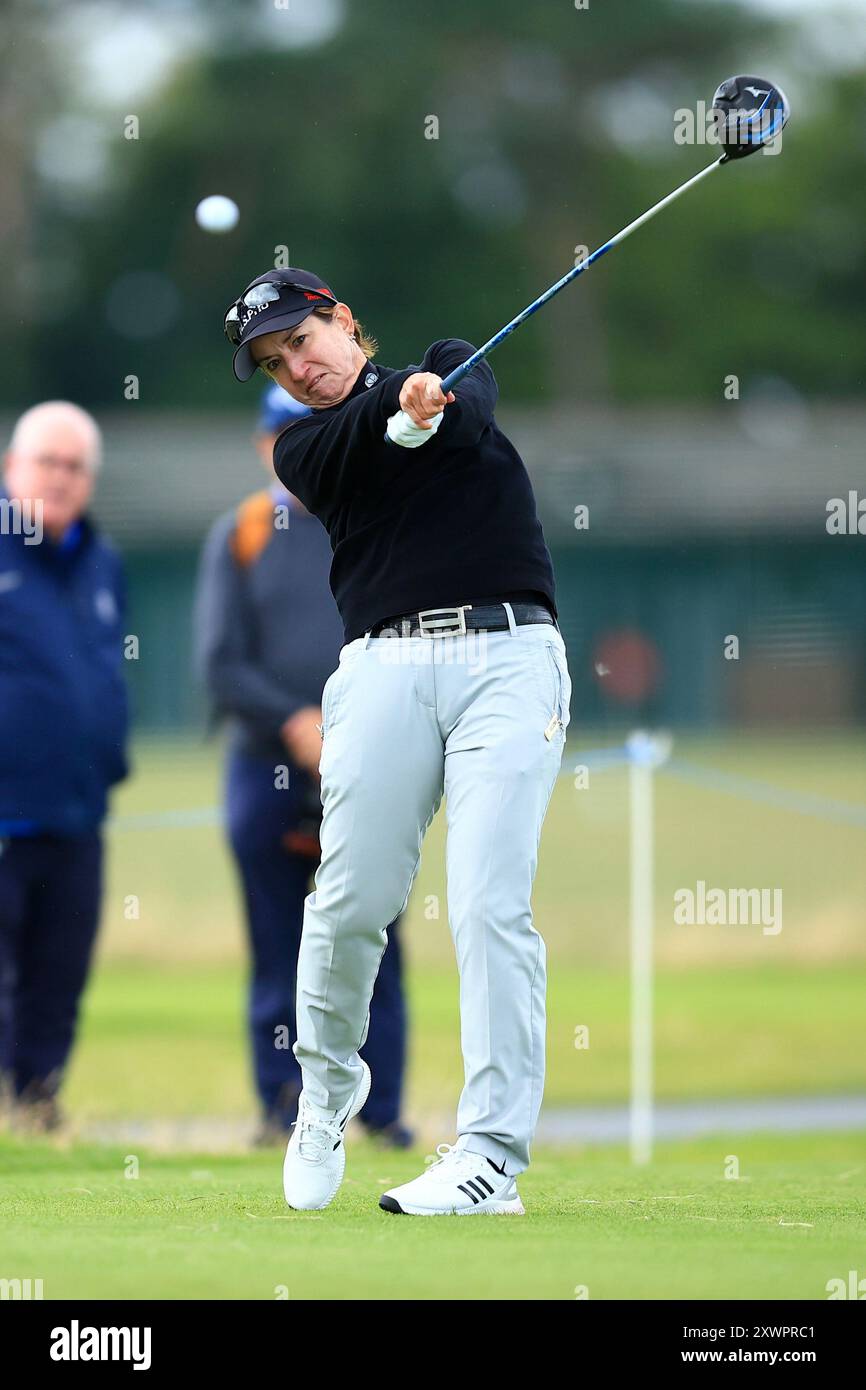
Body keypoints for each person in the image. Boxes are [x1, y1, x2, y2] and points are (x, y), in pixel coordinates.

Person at [223, 267, 571, 1216]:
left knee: (488, 904)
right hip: (382, 670)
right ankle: (327, 1097)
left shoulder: (456, 367)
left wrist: (428, 400)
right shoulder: (301, 447)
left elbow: (470, 411)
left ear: (343, 320)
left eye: (301, 340)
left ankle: (492, 1154)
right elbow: (363, 451)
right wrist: (402, 418)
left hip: (512, 656)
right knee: (348, 904)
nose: (295, 367)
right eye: (272, 360)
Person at [194, 383, 414, 1148]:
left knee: (374, 936)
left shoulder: (372, 516)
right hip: (267, 767)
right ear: (264, 444)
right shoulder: (244, 533)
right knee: (277, 941)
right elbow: (221, 664)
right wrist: (292, 723)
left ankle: (381, 1113)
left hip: (370, 762)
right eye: (285, 433)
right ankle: (281, 1105)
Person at [0, 401, 129, 1132]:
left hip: (78, 811)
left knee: (58, 976)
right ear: (12, 466)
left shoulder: (100, 560)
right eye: (46, 461)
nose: (61, 477)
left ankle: (36, 1104)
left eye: (76, 466)